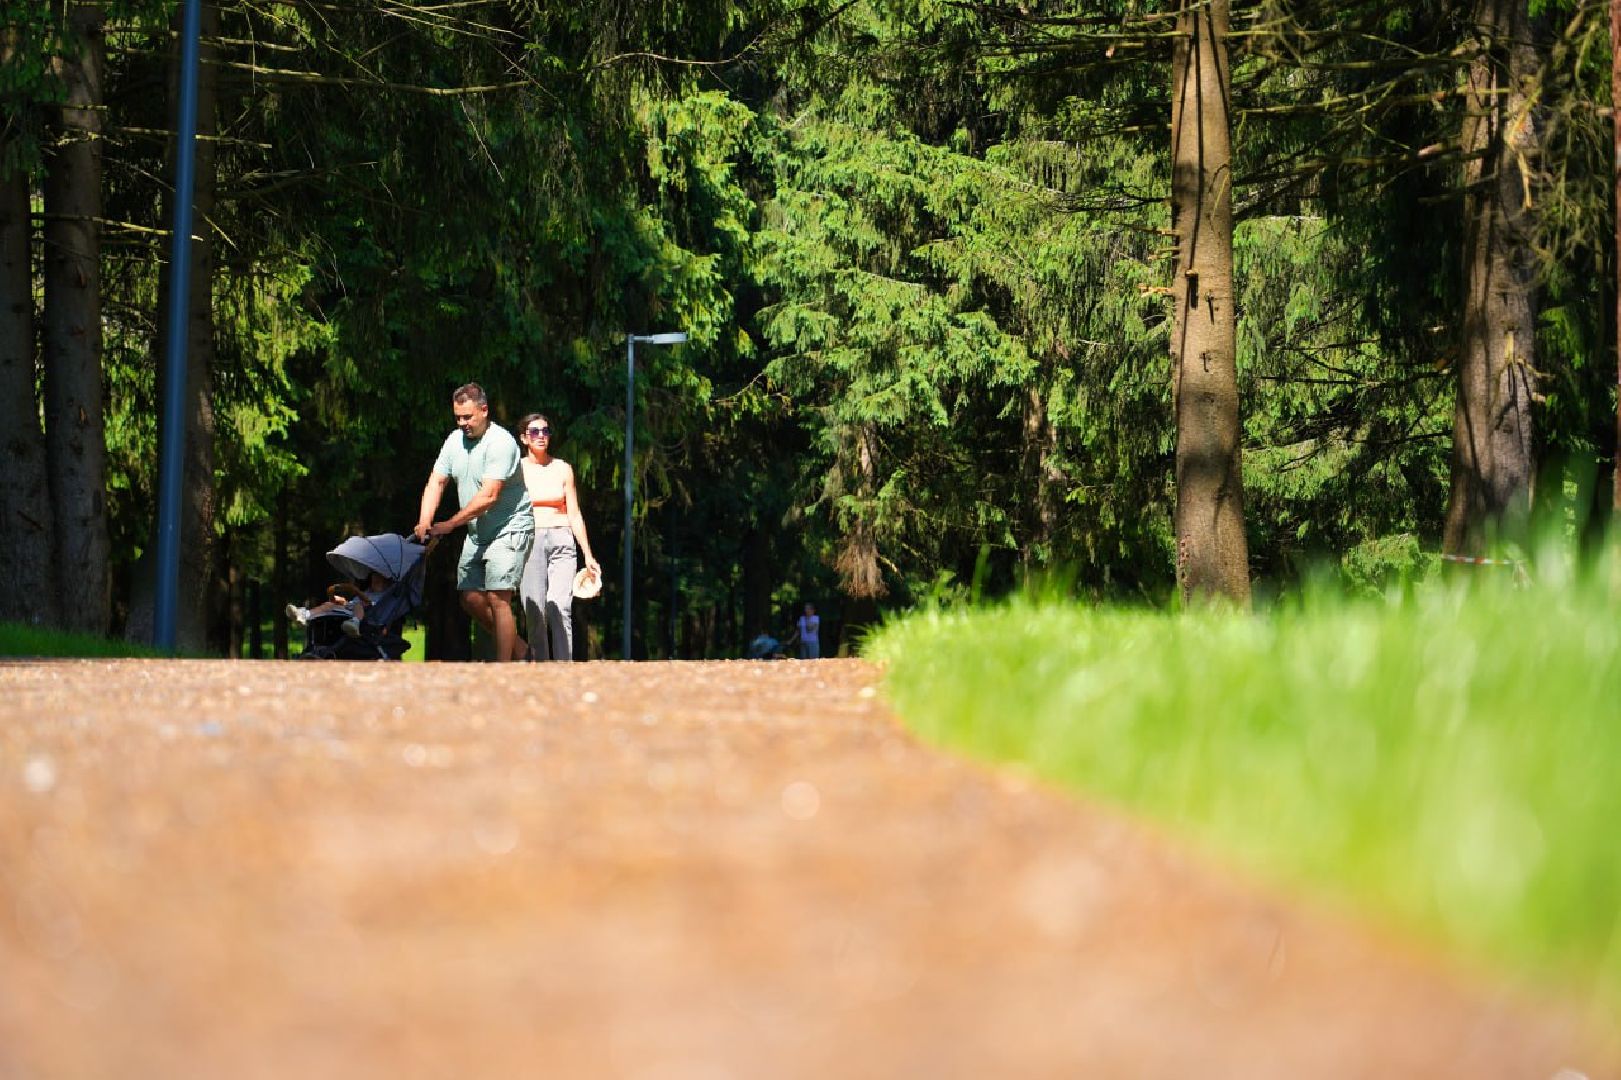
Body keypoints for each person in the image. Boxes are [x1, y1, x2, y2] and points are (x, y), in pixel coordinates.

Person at [414, 383, 534, 662]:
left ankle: (504, 667)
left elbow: (489, 496)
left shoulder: (501, 443)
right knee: (469, 598)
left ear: (484, 410)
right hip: (479, 531)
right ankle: (523, 651)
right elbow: (437, 481)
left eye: (468, 417)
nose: (462, 423)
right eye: (458, 417)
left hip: (510, 526)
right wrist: (424, 521)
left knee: (497, 596)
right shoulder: (454, 441)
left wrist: (450, 524)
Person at [514, 412, 602, 661]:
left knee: (558, 604)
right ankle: (541, 667)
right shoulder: (516, 470)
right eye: (534, 432)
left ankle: (564, 666)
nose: (541, 436)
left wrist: (588, 554)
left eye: (545, 431)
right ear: (524, 438)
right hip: (529, 541)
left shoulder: (563, 469)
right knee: (535, 609)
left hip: (562, 540)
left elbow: (574, 513)